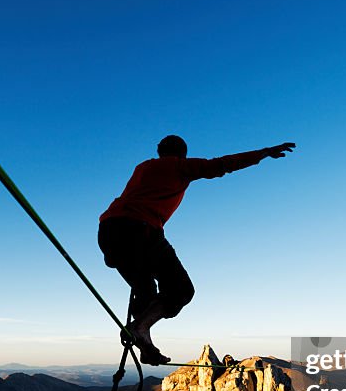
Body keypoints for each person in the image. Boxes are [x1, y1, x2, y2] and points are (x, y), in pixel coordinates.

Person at [98, 135, 295, 365]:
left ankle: (145, 340)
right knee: (181, 290)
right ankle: (140, 328)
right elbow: (223, 164)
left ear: (159, 150)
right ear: (182, 153)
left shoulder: (143, 167)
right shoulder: (180, 166)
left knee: (146, 293)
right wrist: (263, 152)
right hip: (140, 229)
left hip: (109, 231)